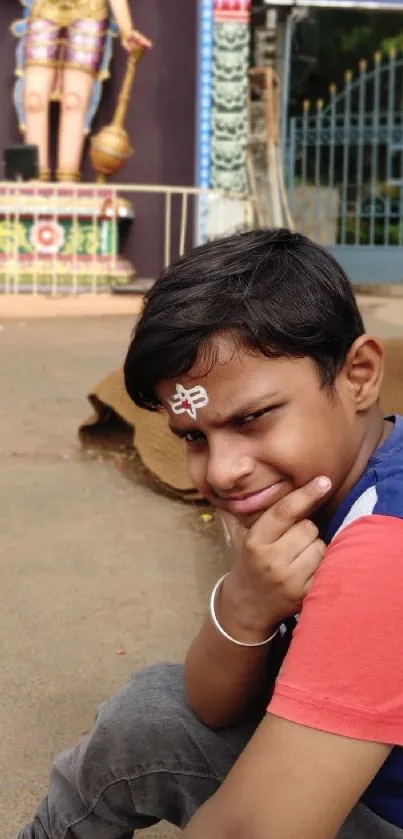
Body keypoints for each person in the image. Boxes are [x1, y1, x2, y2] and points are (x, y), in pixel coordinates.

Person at [18, 229, 403, 839]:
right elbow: (207, 705)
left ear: (358, 374)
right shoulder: (316, 495)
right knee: (152, 711)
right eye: (193, 437)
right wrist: (247, 604)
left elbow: (256, 831)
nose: (222, 471)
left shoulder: (385, 544)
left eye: (252, 419)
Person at [13, 0, 152, 182]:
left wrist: (126, 29)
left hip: (90, 11)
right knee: (34, 100)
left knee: (74, 102)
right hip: (44, 9)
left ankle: (68, 183)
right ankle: (35, 180)